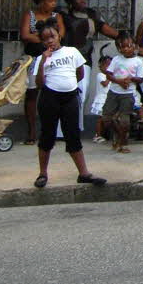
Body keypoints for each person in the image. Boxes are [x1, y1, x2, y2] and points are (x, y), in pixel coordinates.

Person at [32, 24, 104, 187]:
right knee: (47, 135)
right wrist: (44, 61)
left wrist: (69, 86)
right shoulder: (41, 58)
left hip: (70, 96)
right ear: (42, 42)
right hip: (49, 97)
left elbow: (80, 73)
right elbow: (39, 83)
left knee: (72, 134)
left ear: (59, 36)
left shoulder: (72, 52)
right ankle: (43, 174)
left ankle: (83, 173)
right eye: (46, 38)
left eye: (53, 36)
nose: (50, 41)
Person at [60, 0, 119, 136]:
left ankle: (75, 128)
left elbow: (107, 30)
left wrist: (125, 39)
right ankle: (60, 131)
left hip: (84, 58)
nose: (83, 1)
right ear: (70, 1)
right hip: (65, 59)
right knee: (63, 92)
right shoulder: (63, 15)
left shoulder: (91, 14)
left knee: (81, 92)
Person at [19, 0, 64, 146]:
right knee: (31, 94)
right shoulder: (29, 15)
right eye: (50, 1)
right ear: (41, 1)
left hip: (52, 58)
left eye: (55, 1)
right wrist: (46, 38)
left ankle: (48, 129)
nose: (53, 4)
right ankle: (31, 130)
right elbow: (24, 35)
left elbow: (60, 35)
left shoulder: (56, 16)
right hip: (33, 58)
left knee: (51, 93)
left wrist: (39, 37)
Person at [104, 32, 143, 153]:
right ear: (119, 49)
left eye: (128, 46)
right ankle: (118, 135)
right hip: (113, 92)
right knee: (106, 118)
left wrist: (131, 79)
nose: (126, 49)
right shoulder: (116, 59)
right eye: (122, 47)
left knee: (125, 121)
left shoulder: (138, 61)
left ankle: (122, 143)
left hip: (128, 94)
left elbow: (140, 79)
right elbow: (109, 74)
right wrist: (119, 81)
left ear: (134, 47)